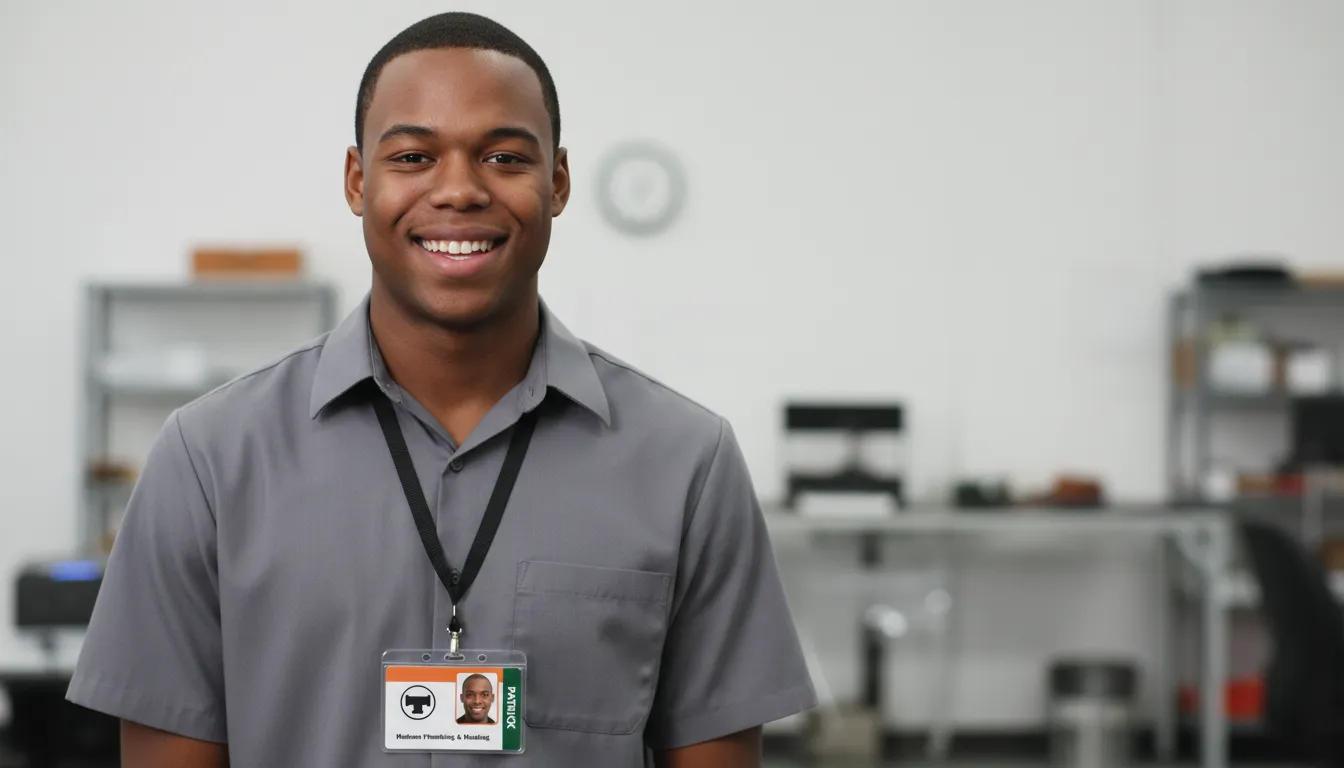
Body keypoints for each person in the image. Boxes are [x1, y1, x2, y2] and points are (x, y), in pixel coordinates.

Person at [66, 11, 815, 767]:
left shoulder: (686, 462)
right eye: (415, 155)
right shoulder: (208, 461)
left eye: (503, 157)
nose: (458, 190)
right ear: (359, 181)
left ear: (556, 182)